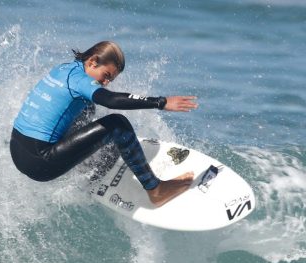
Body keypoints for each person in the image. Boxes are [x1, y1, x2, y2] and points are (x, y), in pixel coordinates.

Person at [10, 41, 198, 207]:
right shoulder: (79, 81)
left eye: (111, 79)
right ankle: (156, 190)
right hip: (41, 163)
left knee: (87, 106)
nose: (106, 82)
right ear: (92, 61)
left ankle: (85, 163)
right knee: (118, 124)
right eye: (106, 75)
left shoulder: (65, 69)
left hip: (18, 149)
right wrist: (161, 102)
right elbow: (111, 100)